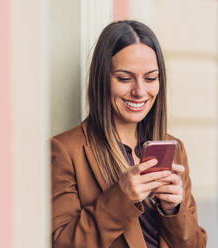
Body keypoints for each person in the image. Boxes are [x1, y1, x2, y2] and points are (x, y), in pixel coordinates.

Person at [51, 20, 207, 248]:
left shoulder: (173, 148)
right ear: (101, 79)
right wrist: (121, 198)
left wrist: (173, 210)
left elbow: (196, 245)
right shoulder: (65, 151)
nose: (140, 91)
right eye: (124, 78)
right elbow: (63, 244)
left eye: (151, 78)